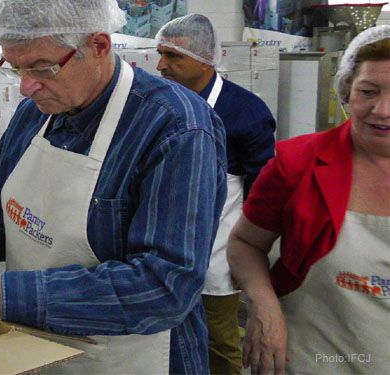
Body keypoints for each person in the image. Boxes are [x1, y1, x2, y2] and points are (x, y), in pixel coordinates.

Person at [0, 0, 228, 373]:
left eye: (41, 67)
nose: (25, 87)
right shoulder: (34, 113)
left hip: (127, 359)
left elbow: (165, 286)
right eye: (15, 67)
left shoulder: (175, 128)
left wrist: (3, 296)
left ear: (99, 46)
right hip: (33, 347)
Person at [228, 26, 390, 375]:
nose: (383, 109)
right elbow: (244, 242)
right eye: (368, 91)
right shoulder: (298, 163)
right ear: (346, 92)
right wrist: (263, 304)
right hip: (308, 358)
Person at [155, 14, 276, 375]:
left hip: (217, 250)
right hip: (159, 245)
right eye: (160, 54)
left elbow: (262, 194)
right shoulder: (156, 104)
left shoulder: (245, 112)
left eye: (173, 56)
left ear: (206, 60)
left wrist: (251, 259)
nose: (161, 65)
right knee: (163, 335)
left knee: (218, 340)